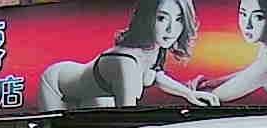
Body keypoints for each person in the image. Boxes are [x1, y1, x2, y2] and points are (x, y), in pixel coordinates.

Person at [39, 0, 217, 109]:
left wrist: (188, 94)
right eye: (162, 18)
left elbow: (155, 76)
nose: (171, 29)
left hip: (95, 94)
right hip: (57, 84)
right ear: (146, 18)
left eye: (178, 19)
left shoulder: (155, 49)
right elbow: (126, 114)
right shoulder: (125, 63)